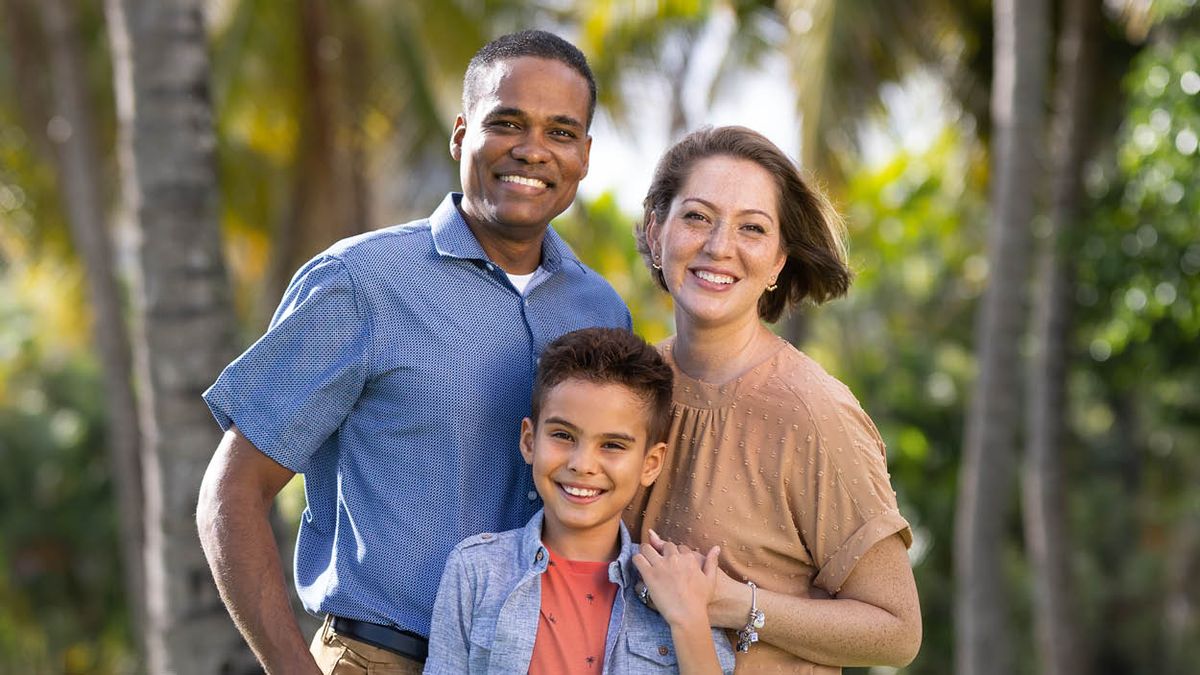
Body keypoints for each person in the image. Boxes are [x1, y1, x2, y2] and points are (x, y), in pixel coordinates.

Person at [196, 30, 630, 675]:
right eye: (507, 122)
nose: (533, 150)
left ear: (586, 155)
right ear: (461, 135)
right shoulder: (361, 281)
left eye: (561, 132)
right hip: (384, 657)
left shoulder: (601, 311)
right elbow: (230, 493)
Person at [627, 126, 922, 673]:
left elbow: (897, 631)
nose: (719, 246)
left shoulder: (815, 413)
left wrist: (737, 604)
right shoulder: (629, 384)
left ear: (778, 261)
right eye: (696, 216)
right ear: (655, 231)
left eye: (753, 229)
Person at [424, 327, 736, 674]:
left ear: (651, 464)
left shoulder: (677, 585)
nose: (582, 464)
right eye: (563, 435)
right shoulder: (477, 571)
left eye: (612, 445)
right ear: (529, 441)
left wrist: (688, 619)